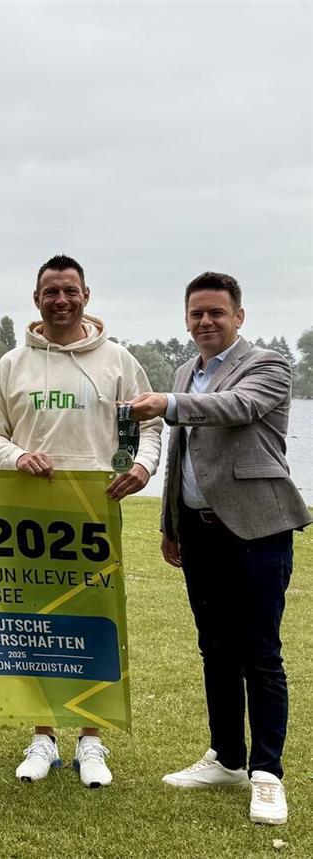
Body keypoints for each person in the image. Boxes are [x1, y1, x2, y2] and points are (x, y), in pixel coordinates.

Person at [126, 272, 310, 826]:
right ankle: (227, 758)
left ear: (239, 316)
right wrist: (170, 524)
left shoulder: (269, 366)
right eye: (196, 313)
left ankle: (267, 773)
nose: (205, 322)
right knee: (216, 650)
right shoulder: (186, 371)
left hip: (256, 529)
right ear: (186, 318)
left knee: (261, 653)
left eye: (216, 313)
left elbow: (237, 407)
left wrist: (167, 402)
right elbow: (181, 457)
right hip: (199, 533)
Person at [0, 254, 163, 788]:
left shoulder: (120, 361)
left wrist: (145, 466)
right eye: (51, 292)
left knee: (93, 622)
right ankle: (43, 737)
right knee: (34, 623)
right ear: (36, 299)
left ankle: (92, 740)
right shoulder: (11, 364)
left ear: (87, 295)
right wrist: (16, 458)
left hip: (94, 512)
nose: (61, 300)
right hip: (27, 515)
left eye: (70, 291)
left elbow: (147, 426)